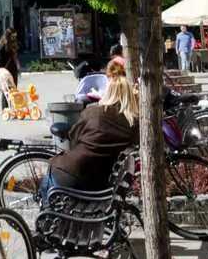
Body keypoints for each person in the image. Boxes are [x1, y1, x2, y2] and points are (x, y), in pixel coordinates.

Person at [43, 58, 142, 195]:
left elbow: (74, 137)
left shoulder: (93, 111)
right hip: (98, 183)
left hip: (69, 173)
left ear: (108, 91)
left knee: (47, 187)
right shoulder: (133, 123)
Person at [0, 28, 21, 108]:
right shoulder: (3, 44)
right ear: (8, 35)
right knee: (6, 89)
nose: (14, 38)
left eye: (15, 36)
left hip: (13, 69)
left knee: (13, 89)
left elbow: (15, 56)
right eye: (13, 36)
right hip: (5, 69)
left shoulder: (14, 43)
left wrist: (18, 67)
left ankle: (12, 107)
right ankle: (5, 108)